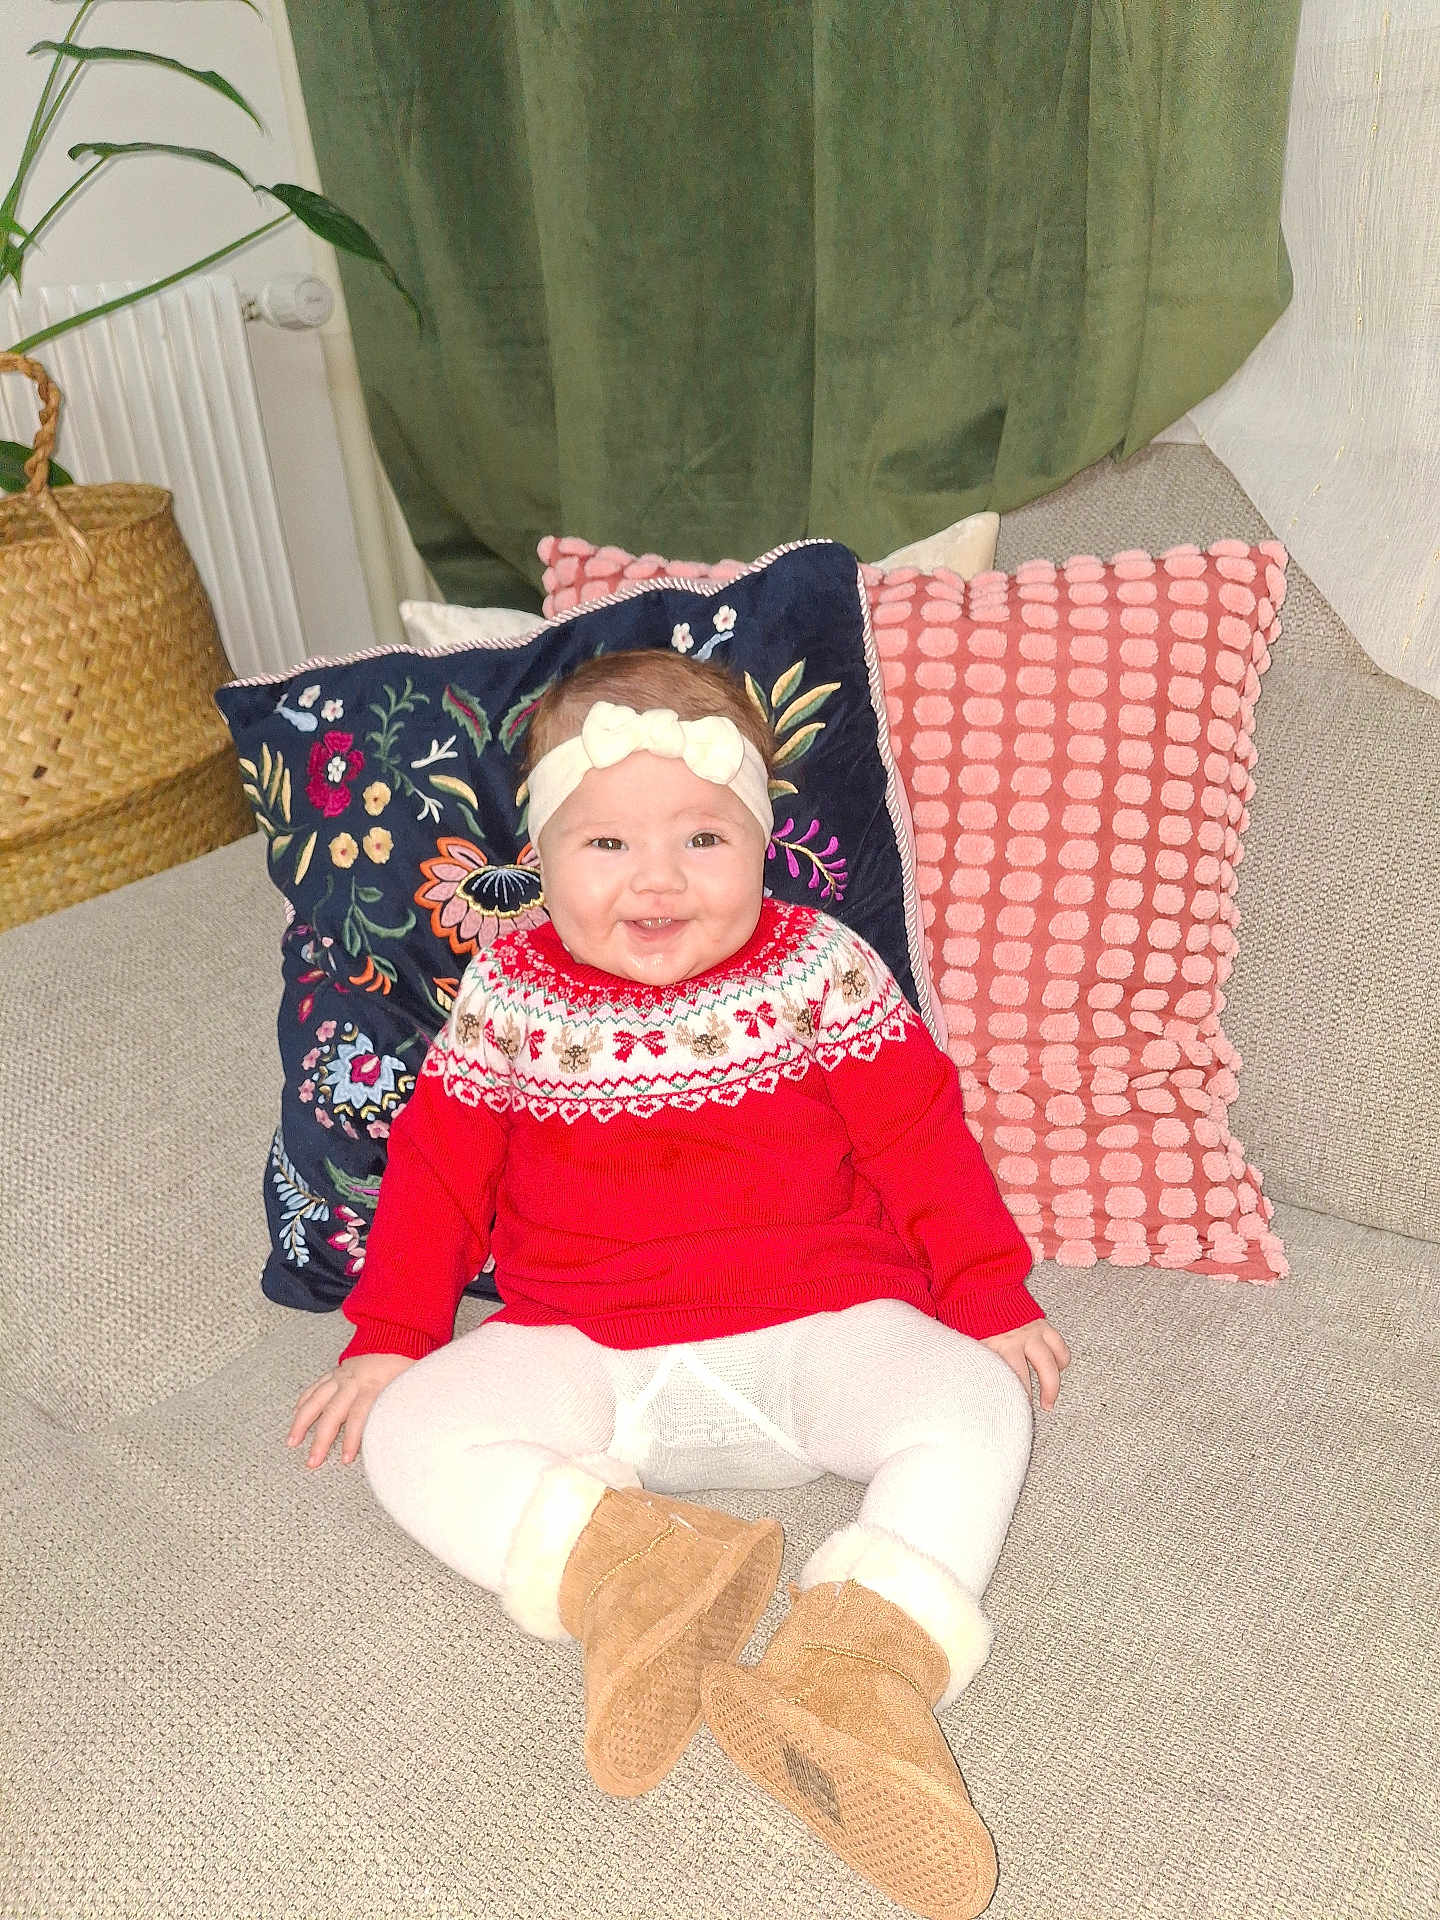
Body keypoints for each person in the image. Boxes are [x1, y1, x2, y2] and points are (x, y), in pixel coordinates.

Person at [288, 646, 1071, 1920]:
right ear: (541, 859)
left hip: (823, 1324)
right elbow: (436, 1172)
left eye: (703, 836)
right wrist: (390, 1334)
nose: (657, 878)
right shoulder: (506, 993)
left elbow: (918, 1134)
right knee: (412, 1433)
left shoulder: (819, 966)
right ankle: (640, 1576)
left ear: (763, 841)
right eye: (606, 847)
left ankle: (852, 1671)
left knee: (978, 1406)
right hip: (588, 1351)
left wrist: (987, 1289)